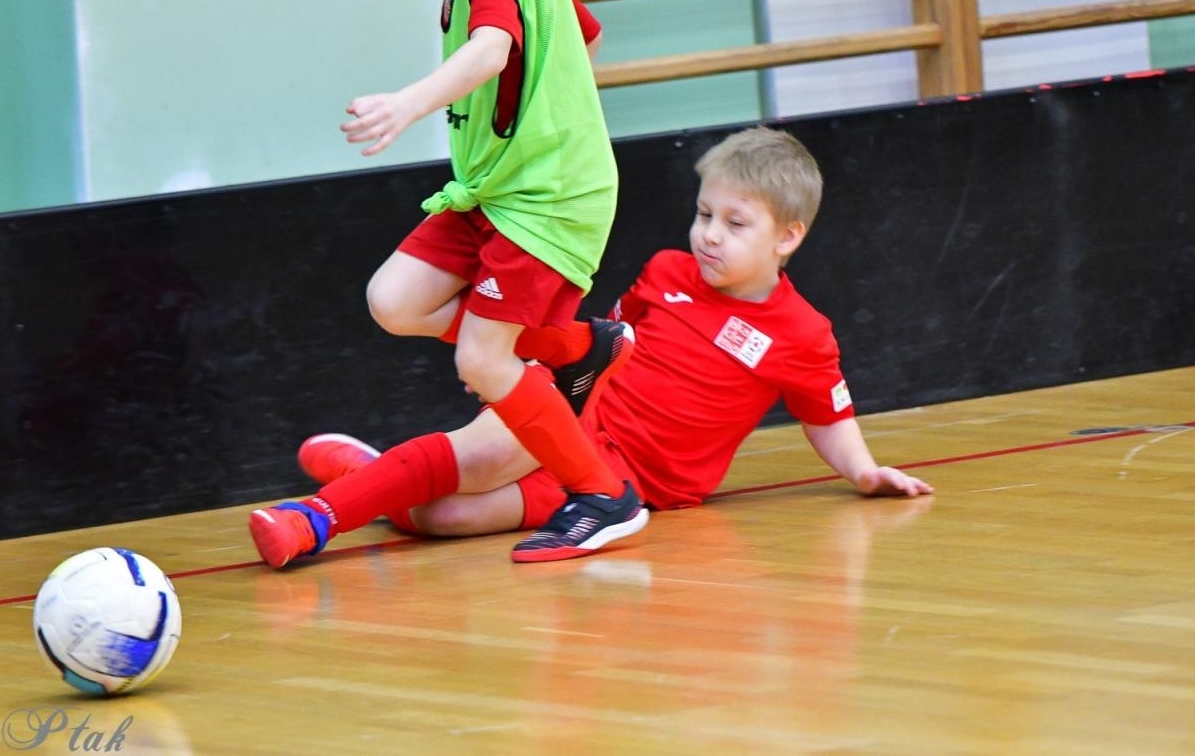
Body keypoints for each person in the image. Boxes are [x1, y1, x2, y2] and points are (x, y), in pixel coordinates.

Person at [249, 0, 644, 568]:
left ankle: (604, 497)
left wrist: (407, 105)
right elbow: (580, 34)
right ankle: (573, 348)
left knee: (484, 361)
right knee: (394, 300)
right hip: (498, 189)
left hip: (544, 201)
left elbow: (495, 48)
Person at [252, 126, 933, 570]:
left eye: (735, 224)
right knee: (485, 452)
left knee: (443, 518)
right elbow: (600, 347)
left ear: (787, 237)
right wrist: (514, 369)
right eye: (703, 215)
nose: (710, 236)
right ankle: (315, 520)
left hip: (634, 482)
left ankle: (370, 474)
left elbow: (827, 415)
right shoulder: (667, 272)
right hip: (576, 417)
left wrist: (866, 473)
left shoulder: (804, 334)